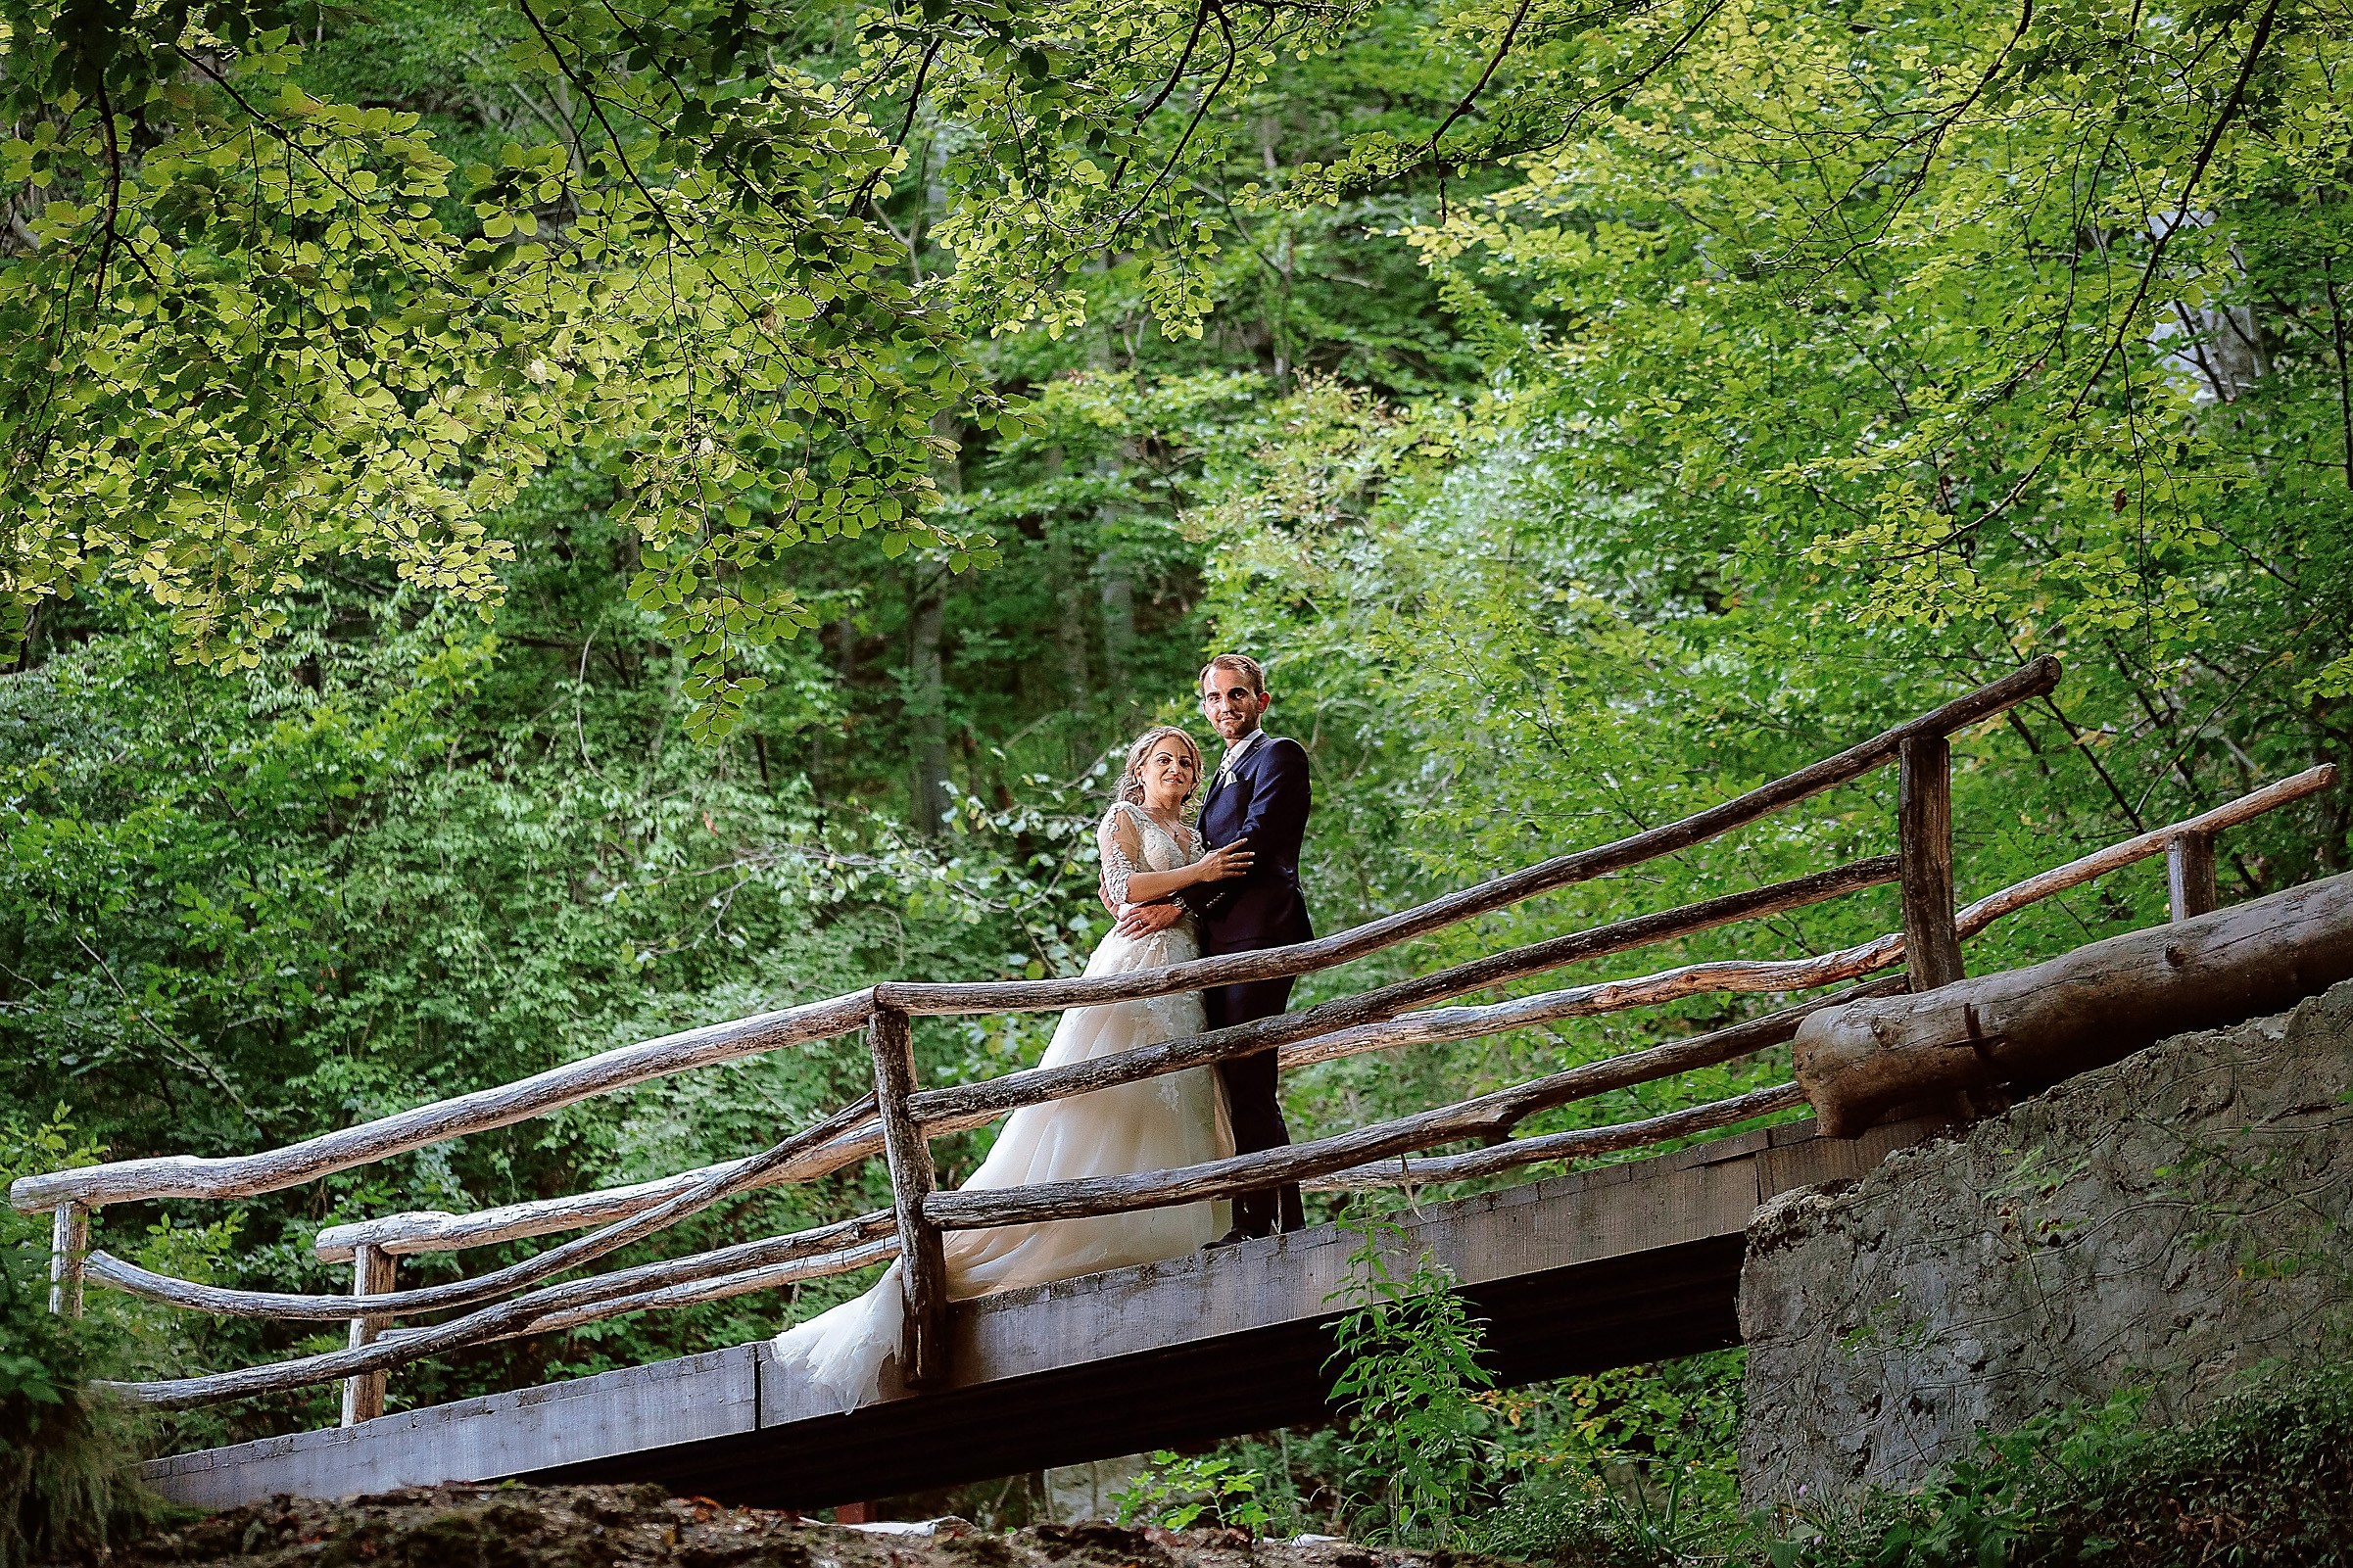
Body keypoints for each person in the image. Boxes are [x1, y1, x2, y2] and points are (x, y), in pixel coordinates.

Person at [772, 725, 1251, 1411]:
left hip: (1184, 972)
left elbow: (1193, 897)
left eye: (1185, 761)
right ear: (1140, 768)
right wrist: (1194, 878)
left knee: (1175, 1092)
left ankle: (1164, 1225)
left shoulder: (1195, 833)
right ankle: (1071, 1225)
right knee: (1103, 1094)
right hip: (1134, 965)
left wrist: (1183, 896)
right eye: (1163, 759)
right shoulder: (1124, 819)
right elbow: (1126, 887)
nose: (1175, 768)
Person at [1114, 654, 1312, 1239]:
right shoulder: (1221, 776)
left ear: (1260, 701)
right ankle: (1266, 1215)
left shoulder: (1279, 755)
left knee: (1249, 1073)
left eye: (1237, 694)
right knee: (1237, 1078)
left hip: (1259, 932)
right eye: (1215, 697)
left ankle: (1269, 1221)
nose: (1226, 706)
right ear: (1206, 707)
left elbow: (1254, 843)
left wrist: (1182, 903)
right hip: (1216, 943)